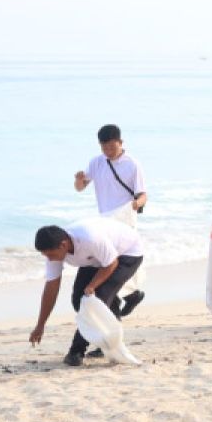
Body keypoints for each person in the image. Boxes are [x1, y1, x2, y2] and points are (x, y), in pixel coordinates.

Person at [28, 216, 144, 367]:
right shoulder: (54, 253)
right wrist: (40, 325)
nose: (49, 259)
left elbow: (111, 264)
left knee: (97, 300)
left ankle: (76, 351)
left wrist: (92, 285)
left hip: (127, 253)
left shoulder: (89, 238)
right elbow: (51, 288)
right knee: (78, 300)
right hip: (97, 259)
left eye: (50, 255)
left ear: (63, 245)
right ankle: (108, 339)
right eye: (46, 256)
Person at [74, 124, 148, 316]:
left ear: (120, 142)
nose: (108, 152)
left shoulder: (132, 164)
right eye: (104, 148)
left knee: (118, 262)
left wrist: (135, 204)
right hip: (105, 221)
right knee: (106, 262)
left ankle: (128, 296)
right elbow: (81, 187)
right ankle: (132, 296)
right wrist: (79, 181)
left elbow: (142, 195)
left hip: (125, 219)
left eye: (111, 148)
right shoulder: (97, 162)